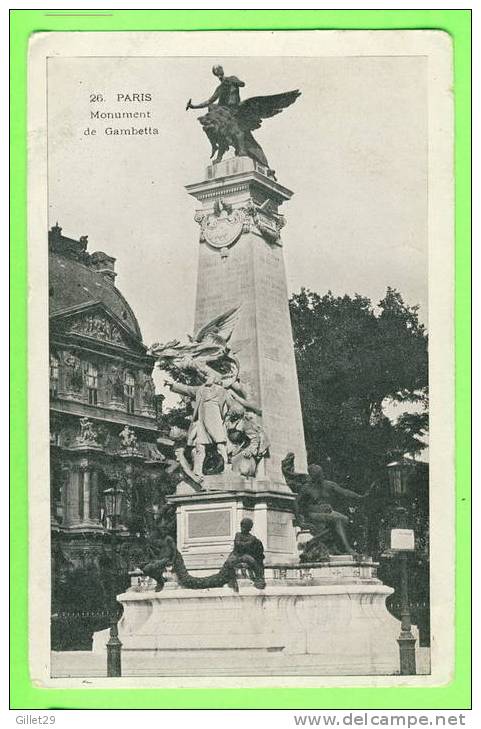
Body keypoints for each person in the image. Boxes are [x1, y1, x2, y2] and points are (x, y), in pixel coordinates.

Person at [282, 452, 375, 555]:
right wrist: (300, 521)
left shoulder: (328, 485)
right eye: (319, 475)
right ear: (314, 477)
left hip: (327, 512)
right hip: (312, 514)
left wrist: (360, 497)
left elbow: (344, 492)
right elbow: (296, 503)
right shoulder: (307, 488)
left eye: (322, 474)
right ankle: (347, 548)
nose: (322, 476)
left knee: (346, 519)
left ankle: (334, 546)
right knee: (336, 519)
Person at [225, 517, 266, 589]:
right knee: (229, 562)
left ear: (249, 528)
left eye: (244, 526)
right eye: (242, 526)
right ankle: (231, 580)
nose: (242, 528)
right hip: (236, 554)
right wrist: (247, 544)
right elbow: (237, 544)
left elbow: (242, 545)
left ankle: (259, 579)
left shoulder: (252, 537)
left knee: (253, 562)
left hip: (246, 555)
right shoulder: (238, 534)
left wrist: (243, 544)